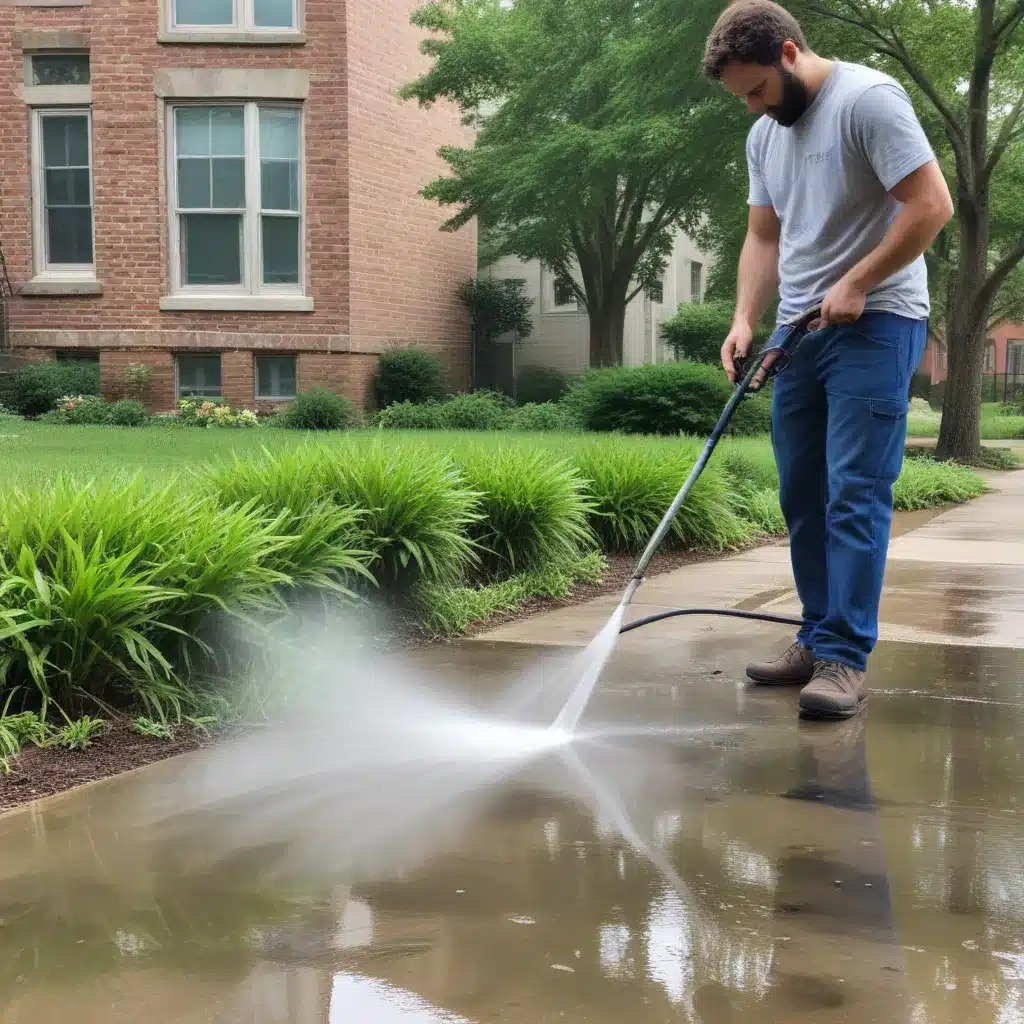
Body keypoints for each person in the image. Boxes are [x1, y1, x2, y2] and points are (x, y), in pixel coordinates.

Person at [702, 0, 953, 719]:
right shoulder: (764, 138)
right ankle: (815, 636)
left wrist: (859, 280)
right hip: (798, 332)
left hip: (878, 322)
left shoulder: (868, 101)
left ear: (787, 54)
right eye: (741, 98)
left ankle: (844, 655)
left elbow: (929, 204)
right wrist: (745, 317)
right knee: (801, 492)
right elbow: (763, 238)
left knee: (854, 491)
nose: (752, 106)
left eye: (755, 90)